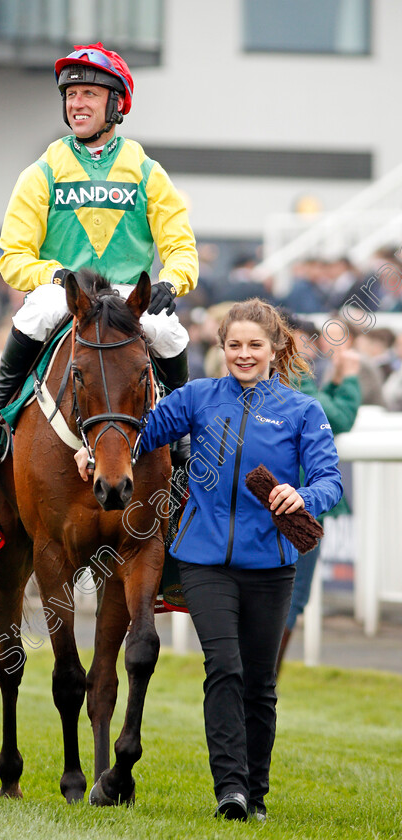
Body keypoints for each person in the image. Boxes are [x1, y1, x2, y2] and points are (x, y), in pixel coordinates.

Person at [76, 298, 343, 821]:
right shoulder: (197, 397)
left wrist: (303, 497)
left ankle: (256, 794)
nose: (244, 354)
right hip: (203, 561)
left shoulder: (303, 411)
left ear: (275, 349)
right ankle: (231, 792)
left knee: (260, 682)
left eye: (254, 346)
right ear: (221, 349)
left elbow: (329, 479)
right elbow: (135, 434)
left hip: (272, 565)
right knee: (224, 666)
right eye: (235, 345)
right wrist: (94, 450)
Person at [0, 42, 198, 461]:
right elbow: (13, 257)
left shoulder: (148, 172)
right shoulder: (42, 171)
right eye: (71, 95)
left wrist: (171, 281)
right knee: (40, 311)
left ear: (116, 103)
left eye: (89, 93)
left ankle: (181, 430)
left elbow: (181, 246)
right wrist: (53, 276)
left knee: (168, 332)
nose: (77, 102)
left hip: (128, 295)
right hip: (68, 292)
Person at [276, 316, 362, 671]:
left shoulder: (280, 375)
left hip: (279, 497)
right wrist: (351, 379)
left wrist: (339, 381)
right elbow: (337, 416)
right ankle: (263, 687)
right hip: (297, 504)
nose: (310, 350)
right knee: (291, 599)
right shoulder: (292, 374)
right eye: (305, 341)